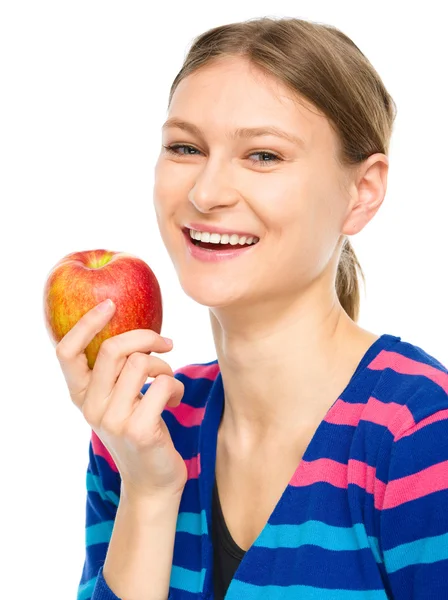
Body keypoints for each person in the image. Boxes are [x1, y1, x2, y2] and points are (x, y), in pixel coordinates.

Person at [56, 16, 448, 600]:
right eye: (185, 148)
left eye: (263, 156)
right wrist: (149, 489)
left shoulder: (419, 434)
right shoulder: (140, 430)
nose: (206, 192)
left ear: (361, 192)